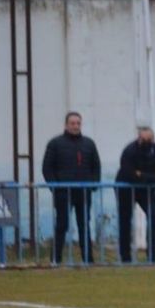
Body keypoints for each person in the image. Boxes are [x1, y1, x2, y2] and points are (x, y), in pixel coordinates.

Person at [42, 111, 102, 265]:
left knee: (84, 225)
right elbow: (47, 168)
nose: (76, 126)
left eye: (78, 123)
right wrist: (55, 187)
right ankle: (55, 259)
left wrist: (93, 184)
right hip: (63, 193)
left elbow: (96, 166)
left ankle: (88, 259)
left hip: (83, 192)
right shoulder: (55, 143)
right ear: (66, 125)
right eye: (72, 123)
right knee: (62, 225)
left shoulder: (89, 143)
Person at [115, 126, 155, 264]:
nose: (146, 142)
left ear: (154, 139)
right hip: (125, 189)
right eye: (143, 139)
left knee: (153, 216)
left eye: (149, 139)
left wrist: (142, 175)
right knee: (125, 220)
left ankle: (153, 253)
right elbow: (129, 174)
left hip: (147, 190)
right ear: (138, 138)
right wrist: (153, 176)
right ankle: (125, 256)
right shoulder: (129, 151)